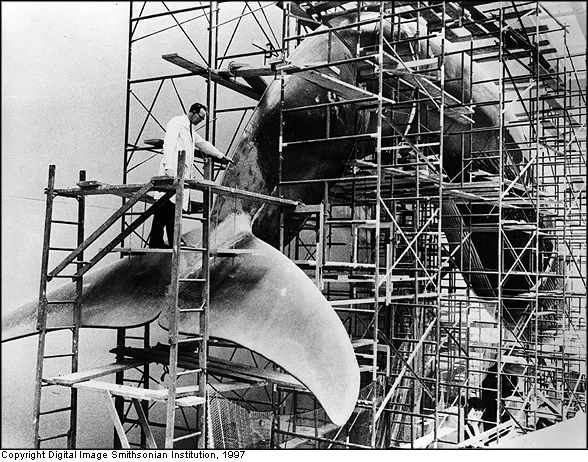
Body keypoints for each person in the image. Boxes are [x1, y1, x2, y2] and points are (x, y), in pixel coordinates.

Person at [149, 102, 233, 248]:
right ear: (193, 112)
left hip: (180, 174)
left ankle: (159, 239)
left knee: (166, 207)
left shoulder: (189, 130)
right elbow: (168, 145)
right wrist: (169, 169)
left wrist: (221, 156)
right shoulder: (176, 123)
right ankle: (171, 239)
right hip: (173, 171)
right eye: (200, 117)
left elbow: (203, 144)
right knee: (169, 206)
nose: (201, 120)